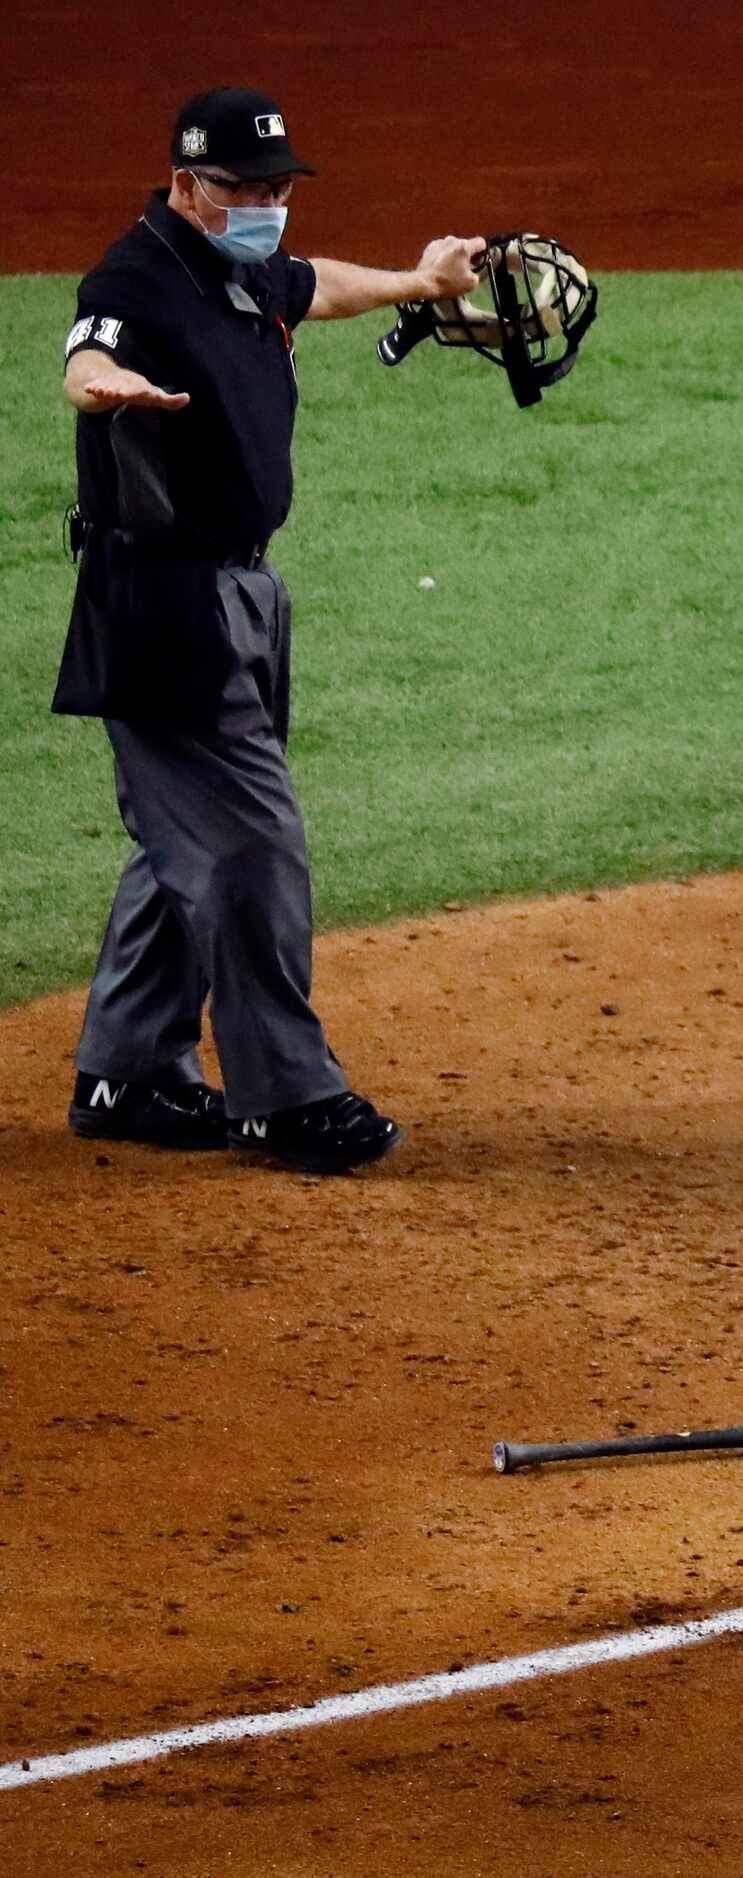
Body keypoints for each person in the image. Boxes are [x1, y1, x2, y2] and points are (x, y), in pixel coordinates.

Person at [56, 87, 492, 1174]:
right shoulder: (136, 275)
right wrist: (108, 389)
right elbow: (85, 356)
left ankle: (132, 1069)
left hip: (240, 597)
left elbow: (316, 287)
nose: (263, 205)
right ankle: (285, 1099)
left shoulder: (242, 267)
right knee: (252, 843)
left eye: (275, 186)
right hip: (165, 600)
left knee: (188, 844)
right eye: (241, 188)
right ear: (183, 185)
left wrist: (419, 281)